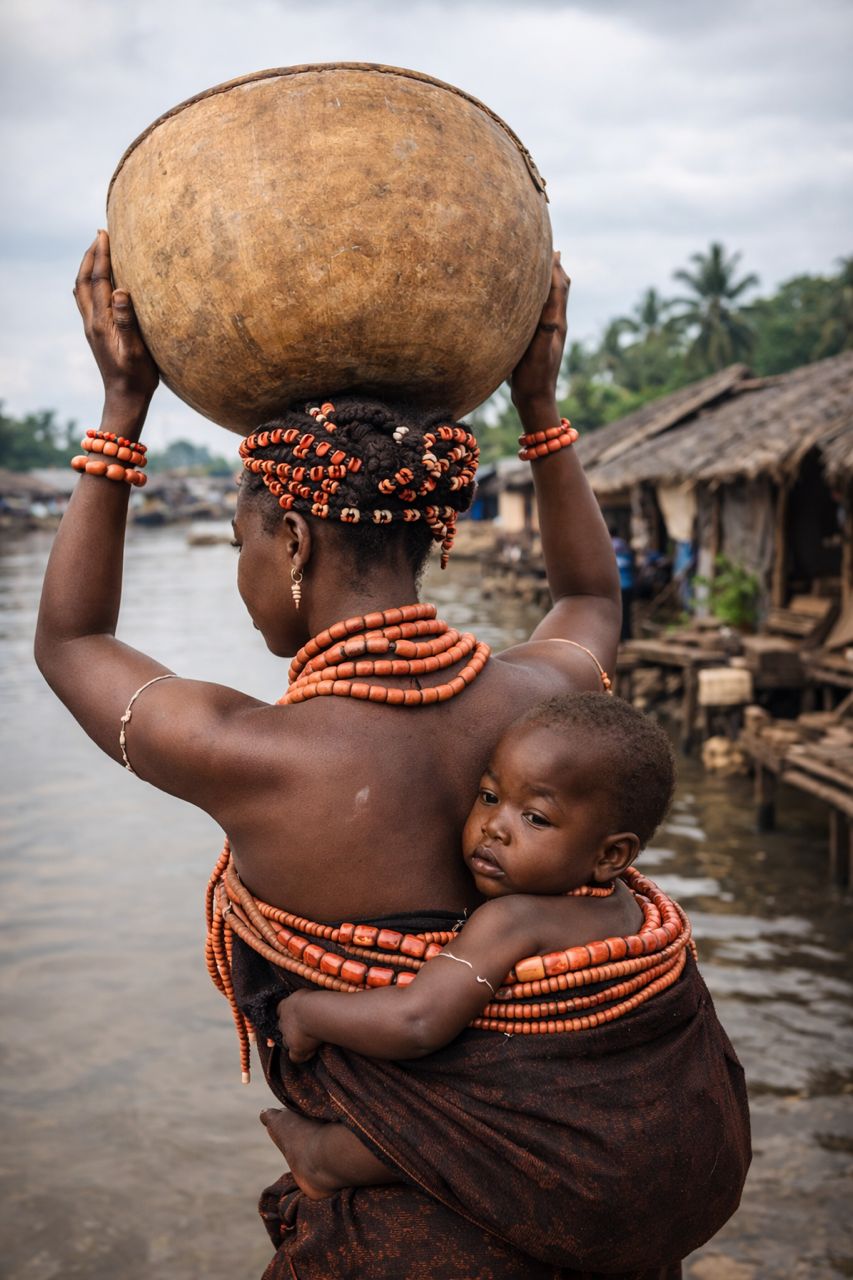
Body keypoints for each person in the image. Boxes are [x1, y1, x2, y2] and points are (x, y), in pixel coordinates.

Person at [36, 234, 748, 1279]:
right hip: (600, 1205)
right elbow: (596, 598)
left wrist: (120, 410)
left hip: (415, 1244)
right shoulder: (542, 700)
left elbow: (72, 643)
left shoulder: (248, 753)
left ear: (293, 541)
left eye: (243, 544)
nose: (244, 568)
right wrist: (540, 409)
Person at [265, 690, 678, 1196]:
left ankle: (322, 1161)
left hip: (547, 1131)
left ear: (612, 855)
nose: (493, 828)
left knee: (443, 1125)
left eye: (536, 818)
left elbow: (416, 1021)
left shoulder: (514, 919)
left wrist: (308, 1013)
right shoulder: (632, 907)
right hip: (631, 1124)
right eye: (489, 796)